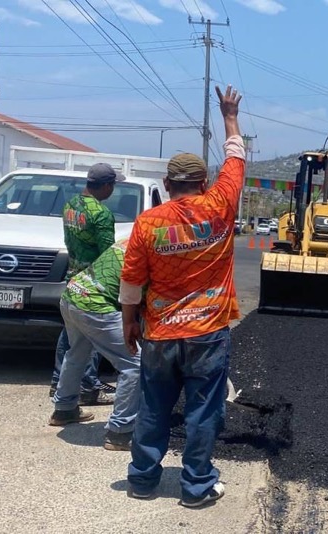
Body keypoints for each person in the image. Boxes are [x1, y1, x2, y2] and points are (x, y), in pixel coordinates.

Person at [120, 85, 244, 509]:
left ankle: (142, 480)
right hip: (208, 330)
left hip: (159, 332)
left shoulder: (148, 222)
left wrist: (128, 325)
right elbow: (236, 160)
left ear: (166, 183)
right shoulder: (220, 205)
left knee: (154, 407)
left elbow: (132, 281)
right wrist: (229, 116)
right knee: (203, 411)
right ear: (204, 182)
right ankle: (195, 486)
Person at [48, 239, 141, 452]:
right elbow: (135, 295)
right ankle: (121, 432)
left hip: (73, 294)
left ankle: (64, 409)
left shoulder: (130, 240)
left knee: (76, 353)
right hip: (95, 305)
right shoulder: (151, 251)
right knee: (135, 364)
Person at [49, 162, 123, 405]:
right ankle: (89, 385)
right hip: (92, 281)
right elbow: (107, 255)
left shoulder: (70, 206)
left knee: (70, 337)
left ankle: (59, 381)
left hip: (72, 275)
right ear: (106, 186)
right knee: (89, 339)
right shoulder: (101, 214)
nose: (113, 190)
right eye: (113, 185)